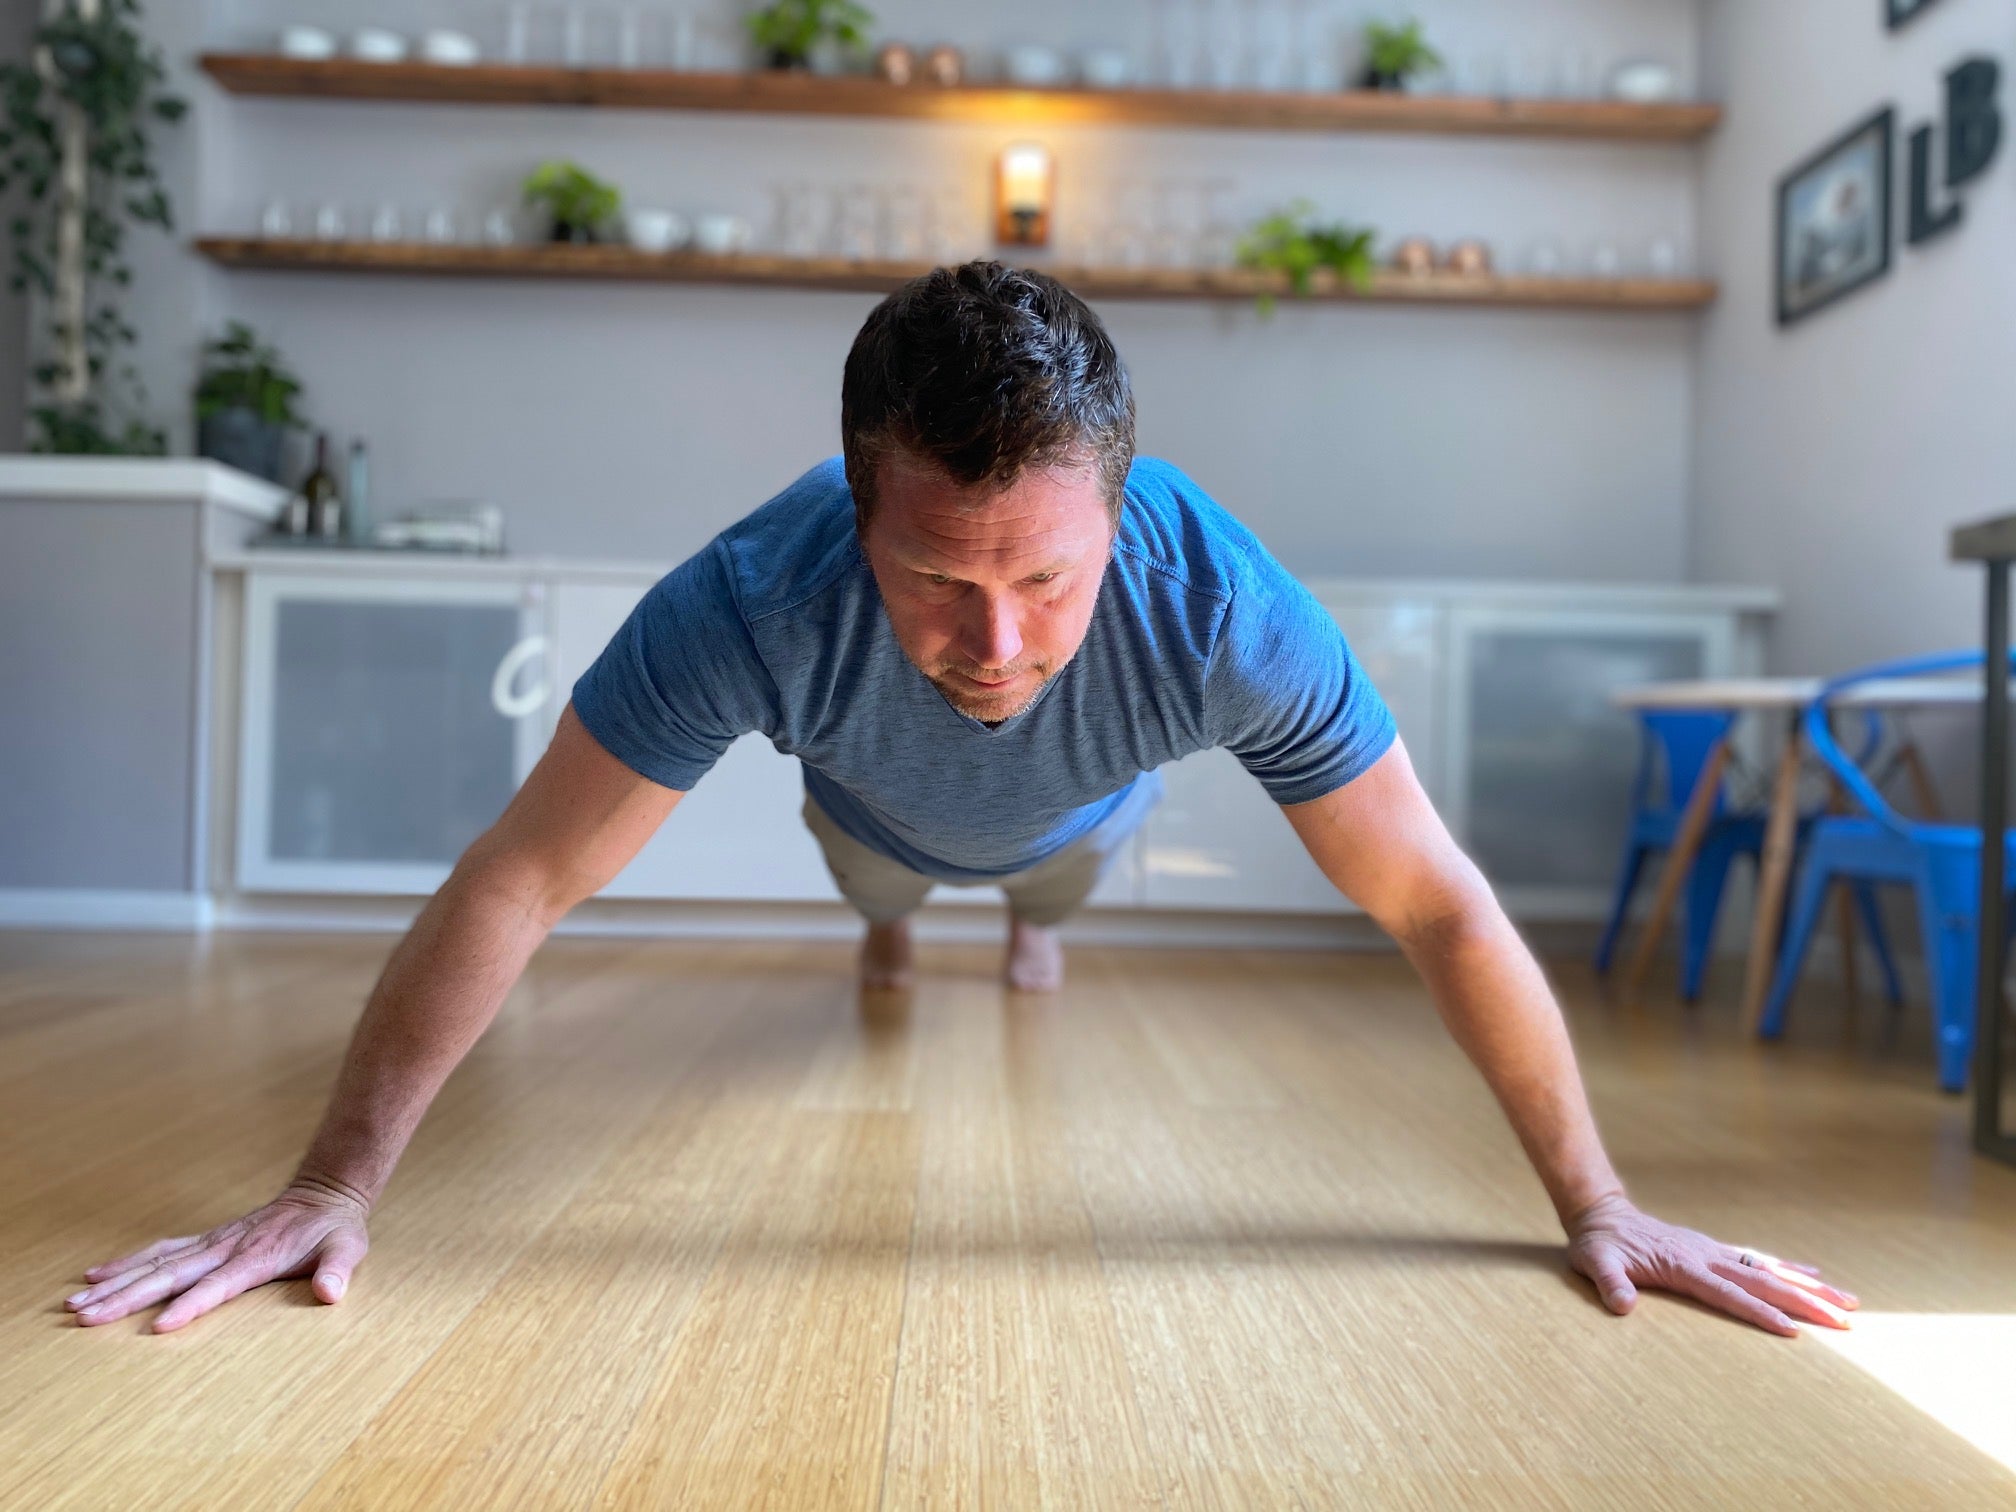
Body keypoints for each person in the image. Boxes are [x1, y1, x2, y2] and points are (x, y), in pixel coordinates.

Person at [64, 262, 1858, 1339]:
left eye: (1051, 584)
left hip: (1079, 830)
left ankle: (1022, 934)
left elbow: (1440, 904)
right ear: (856, 506)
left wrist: (1598, 1202)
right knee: (882, 896)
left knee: (1047, 898)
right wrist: (329, 1183)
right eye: (936, 577)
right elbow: (524, 879)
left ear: (1123, 513)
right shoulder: (754, 597)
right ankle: (901, 938)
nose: (996, 643)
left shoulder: (1223, 609)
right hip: (872, 823)